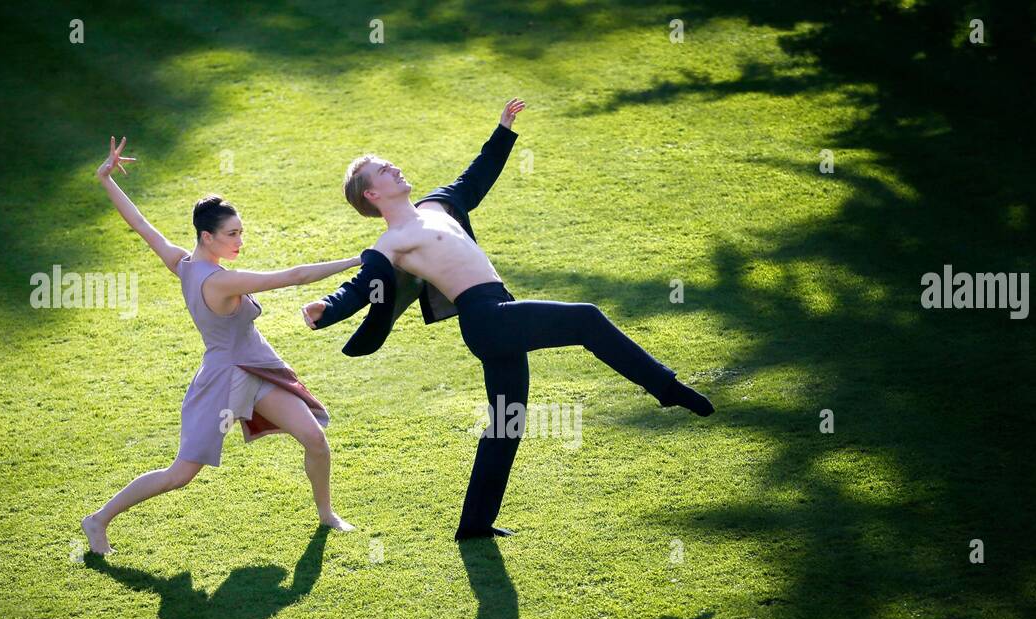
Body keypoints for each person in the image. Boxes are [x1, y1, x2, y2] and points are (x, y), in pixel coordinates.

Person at [301, 100, 713, 541]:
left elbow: (476, 176)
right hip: (486, 319)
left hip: (500, 310)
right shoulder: (393, 242)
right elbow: (362, 286)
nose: (395, 168)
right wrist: (326, 309)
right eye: (384, 170)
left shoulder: (439, 205)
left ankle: (474, 526)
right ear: (372, 194)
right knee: (586, 320)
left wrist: (503, 130)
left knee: (507, 423)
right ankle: (666, 388)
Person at [81, 137, 359, 555]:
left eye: (241, 232)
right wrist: (360, 260)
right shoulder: (220, 280)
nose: (239, 241)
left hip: (257, 371)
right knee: (180, 474)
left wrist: (106, 178)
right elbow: (297, 276)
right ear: (207, 236)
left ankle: (326, 514)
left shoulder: (183, 263)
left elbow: (141, 225)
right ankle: (98, 519)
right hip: (224, 380)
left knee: (315, 440)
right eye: (232, 234)